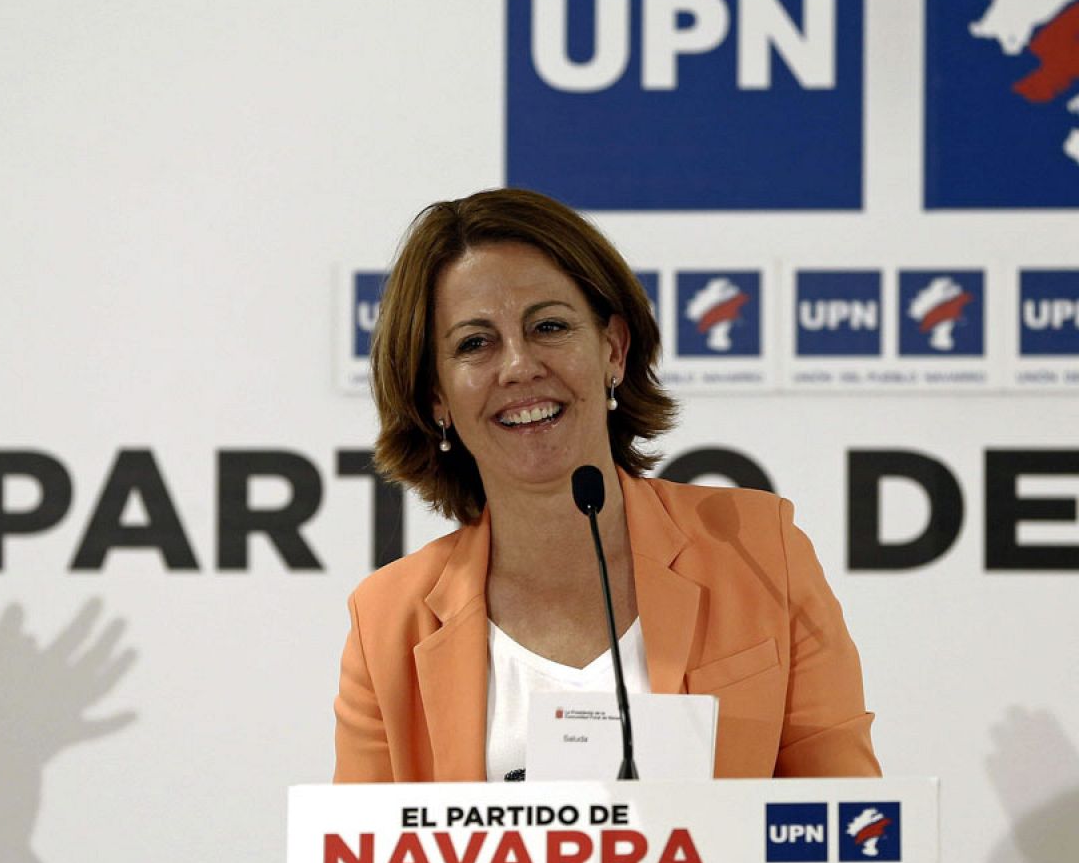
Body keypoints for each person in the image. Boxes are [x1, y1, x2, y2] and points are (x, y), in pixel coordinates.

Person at [334, 188, 879, 783]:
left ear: (613, 350)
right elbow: (360, 862)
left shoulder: (758, 553)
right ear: (436, 394)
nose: (518, 366)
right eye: (474, 343)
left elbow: (844, 831)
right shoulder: (389, 620)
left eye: (548, 326)